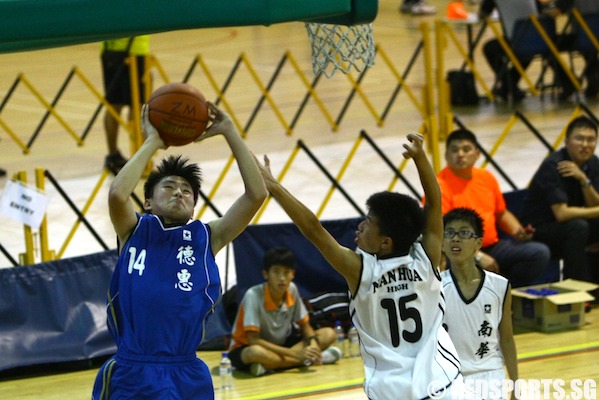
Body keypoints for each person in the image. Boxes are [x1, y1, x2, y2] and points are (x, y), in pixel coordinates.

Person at [257, 133, 463, 399]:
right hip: (444, 382)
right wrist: (421, 158)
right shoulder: (427, 257)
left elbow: (313, 229)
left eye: (367, 224)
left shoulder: (360, 270)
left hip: (392, 390)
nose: (360, 226)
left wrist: (273, 186)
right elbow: (435, 202)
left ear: (386, 242)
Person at [91, 102, 267, 399]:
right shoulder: (134, 230)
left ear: (194, 205)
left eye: (187, 191)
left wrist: (229, 131)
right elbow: (118, 193)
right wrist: (153, 142)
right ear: (147, 202)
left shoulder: (207, 237)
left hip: (187, 372)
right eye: (168, 187)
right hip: (133, 369)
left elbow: (257, 194)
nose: (178, 193)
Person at [435, 129, 551, 287]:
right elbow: (442, 231)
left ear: (477, 154)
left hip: (493, 246)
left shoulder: (486, 177)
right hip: (460, 253)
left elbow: (501, 212)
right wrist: (477, 256)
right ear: (446, 155)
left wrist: (518, 231)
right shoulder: (438, 186)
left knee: (539, 253)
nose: (460, 154)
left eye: (466, 149)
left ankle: (506, 295)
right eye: (455, 150)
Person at [441, 208, 518, 400]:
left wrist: (516, 387)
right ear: (441, 242)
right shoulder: (435, 287)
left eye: (464, 233)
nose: (455, 239)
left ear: (478, 243)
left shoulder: (500, 286)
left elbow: (507, 338)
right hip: (449, 377)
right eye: (449, 233)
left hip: (490, 374)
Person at [228, 247, 340, 377]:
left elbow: (305, 326)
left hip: (280, 346)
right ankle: (307, 361)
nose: (282, 278)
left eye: (286, 272)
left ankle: (271, 366)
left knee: (329, 333)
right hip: (247, 347)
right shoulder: (253, 295)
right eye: (276, 272)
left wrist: (313, 346)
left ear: (293, 274)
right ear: (265, 274)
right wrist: (297, 355)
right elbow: (254, 340)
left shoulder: (292, 289)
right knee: (255, 353)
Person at [520, 116, 599, 283]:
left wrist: (584, 180)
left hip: (569, 225)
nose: (585, 145)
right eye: (580, 139)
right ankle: (575, 288)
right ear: (567, 141)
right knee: (578, 227)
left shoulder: (593, 163)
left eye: (591, 139)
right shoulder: (553, 165)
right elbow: (561, 214)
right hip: (539, 229)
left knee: (587, 225)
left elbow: (595, 204)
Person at [479, 0, 576, 102]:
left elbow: (482, 14)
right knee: (537, 48)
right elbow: (541, 11)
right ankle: (567, 82)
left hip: (517, 41)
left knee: (489, 49)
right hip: (539, 39)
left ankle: (509, 86)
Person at [101, 36, 150, 173]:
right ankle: (139, 159)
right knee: (137, 105)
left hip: (108, 50)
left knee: (113, 105)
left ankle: (113, 155)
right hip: (135, 50)